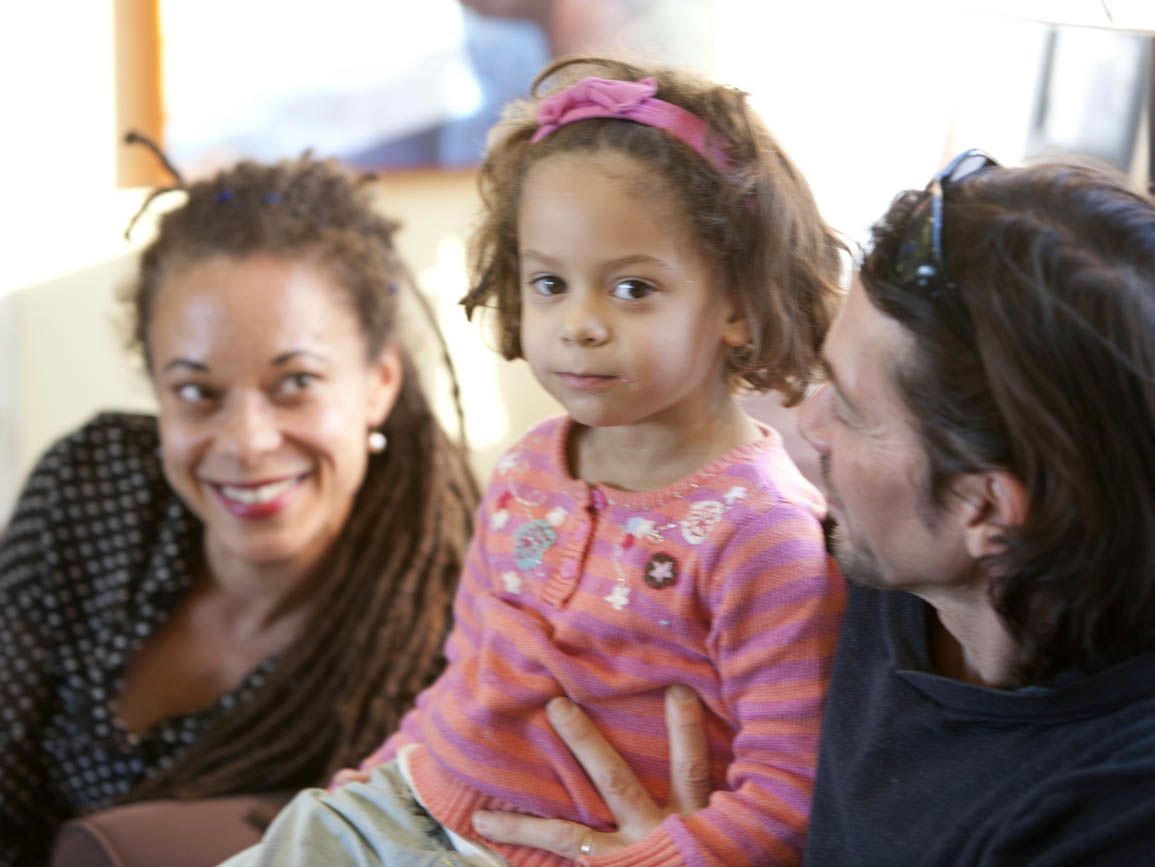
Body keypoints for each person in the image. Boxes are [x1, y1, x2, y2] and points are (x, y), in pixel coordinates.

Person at [222, 55, 847, 866]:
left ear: (736, 303)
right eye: (549, 283)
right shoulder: (529, 468)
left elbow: (791, 789)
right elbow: (469, 675)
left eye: (631, 289)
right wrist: (370, 786)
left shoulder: (764, 533)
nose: (578, 324)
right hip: (399, 807)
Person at [472, 151, 1155, 864]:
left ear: (983, 509)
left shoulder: (1107, 817)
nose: (810, 422)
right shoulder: (881, 567)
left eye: (853, 411)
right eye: (825, 374)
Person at [0, 146, 480, 866]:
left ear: (379, 382)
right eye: (198, 391)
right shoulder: (95, 484)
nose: (247, 441)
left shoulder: (457, 622)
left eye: (295, 382)